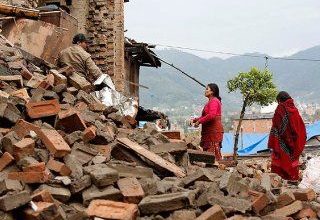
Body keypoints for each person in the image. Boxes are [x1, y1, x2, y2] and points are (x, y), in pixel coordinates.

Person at [268, 91, 306, 181]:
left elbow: (277, 125)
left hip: (282, 142)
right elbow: (300, 126)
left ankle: (279, 181)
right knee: (293, 161)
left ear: (279, 100)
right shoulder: (295, 109)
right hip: (296, 141)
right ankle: (293, 180)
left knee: (280, 161)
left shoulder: (280, 109)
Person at [191, 83, 224, 160]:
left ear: (212, 91)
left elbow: (212, 115)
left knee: (213, 155)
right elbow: (206, 116)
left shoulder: (214, 101)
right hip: (210, 132)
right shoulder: (211, 101)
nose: (205, 91)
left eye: (207, 89)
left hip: (213, 132)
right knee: (209, 155)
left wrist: (199, 122)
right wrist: (195, 120)